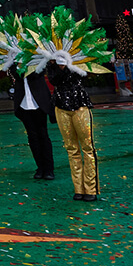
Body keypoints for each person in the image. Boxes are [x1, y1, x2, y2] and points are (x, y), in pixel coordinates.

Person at [47, 63, 99, 201]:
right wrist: (60, 67)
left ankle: (91, 189)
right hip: (61, 106)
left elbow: (84, 75)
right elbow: (53, 81)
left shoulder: (79, 57)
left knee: (87, 147)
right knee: (71, 148)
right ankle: (78, 189)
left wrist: (68, 65)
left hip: (80, 105)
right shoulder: (51, 61)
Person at [9, 66, 55, 180]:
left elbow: (37, 73)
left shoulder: (37, 56)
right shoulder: (13, 58)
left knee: (43, 135)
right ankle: (40, 167)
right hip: (23, 103)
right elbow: (16, 74)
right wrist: (18, 64)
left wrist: (24, 64)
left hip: (39, 102)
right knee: (32, 136)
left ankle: (49, 169)